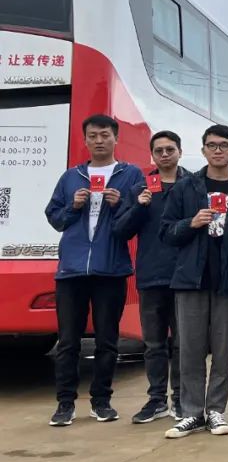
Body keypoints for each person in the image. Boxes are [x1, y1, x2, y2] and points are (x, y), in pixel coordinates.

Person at [160, 124, 228, 438]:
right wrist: (190, 223)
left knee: (223, 350)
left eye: (224, 145)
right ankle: (192, 413)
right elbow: (166, 232)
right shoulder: (186, 187)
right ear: (203, 150)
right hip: (191, 279)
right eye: (212, 145)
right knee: (189, 349)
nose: (218, 150)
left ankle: (216, 410)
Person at [45, 114, 144, 426]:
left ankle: (101, 401)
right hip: (71, 271)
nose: (99, 140)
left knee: (107, 341)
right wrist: (73, 205)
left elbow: (135, 221)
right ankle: (65, 404)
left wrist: (119, 204)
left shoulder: (131, 175)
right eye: (92, 135)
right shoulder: (70, 177)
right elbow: (55, 218)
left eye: (104, 135)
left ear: (116, 138)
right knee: (68, 341)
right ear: (85, 140)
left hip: (110, 271)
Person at [113, 130, 190, 423]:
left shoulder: (193, 185)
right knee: (154, 344)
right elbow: (121, 230)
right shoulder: (140, 188)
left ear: (180, 152)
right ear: (152, 155)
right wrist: (139, 206)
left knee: (183, 343)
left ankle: (181, 399)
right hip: (151, 276)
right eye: (159, 150)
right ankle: (156, 400)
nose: (165, 154)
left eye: (170, 149)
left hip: (184, 276)